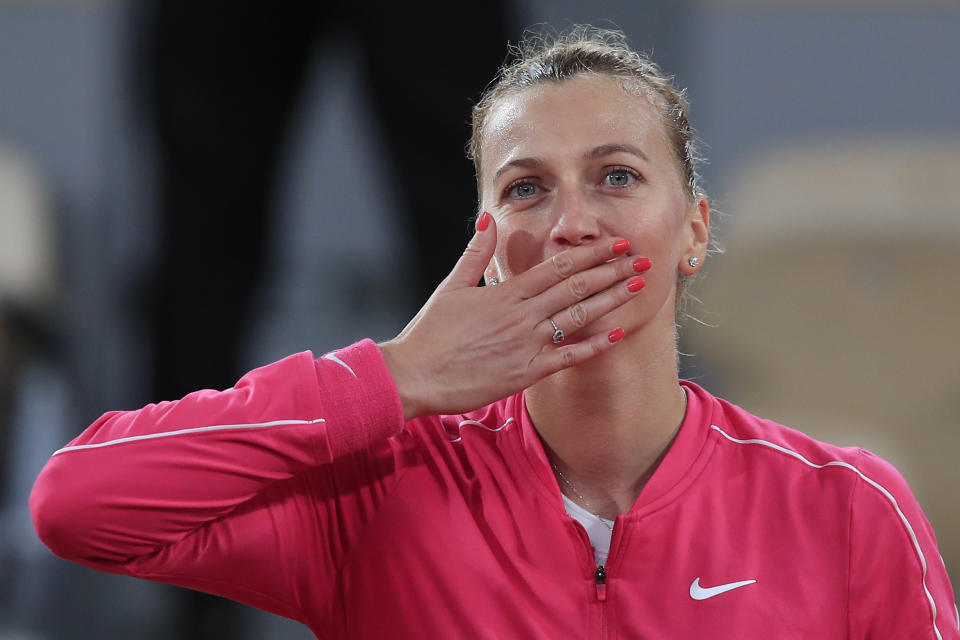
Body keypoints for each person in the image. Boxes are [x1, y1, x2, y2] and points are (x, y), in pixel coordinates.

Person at [29, 27, 958, 638]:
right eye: (526, 188)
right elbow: (77, 503)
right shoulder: (378, 492)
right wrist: (390, 379)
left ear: (696, 230)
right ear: (486, 242)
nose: (571, 224)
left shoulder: (847, 507)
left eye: (618, 176)